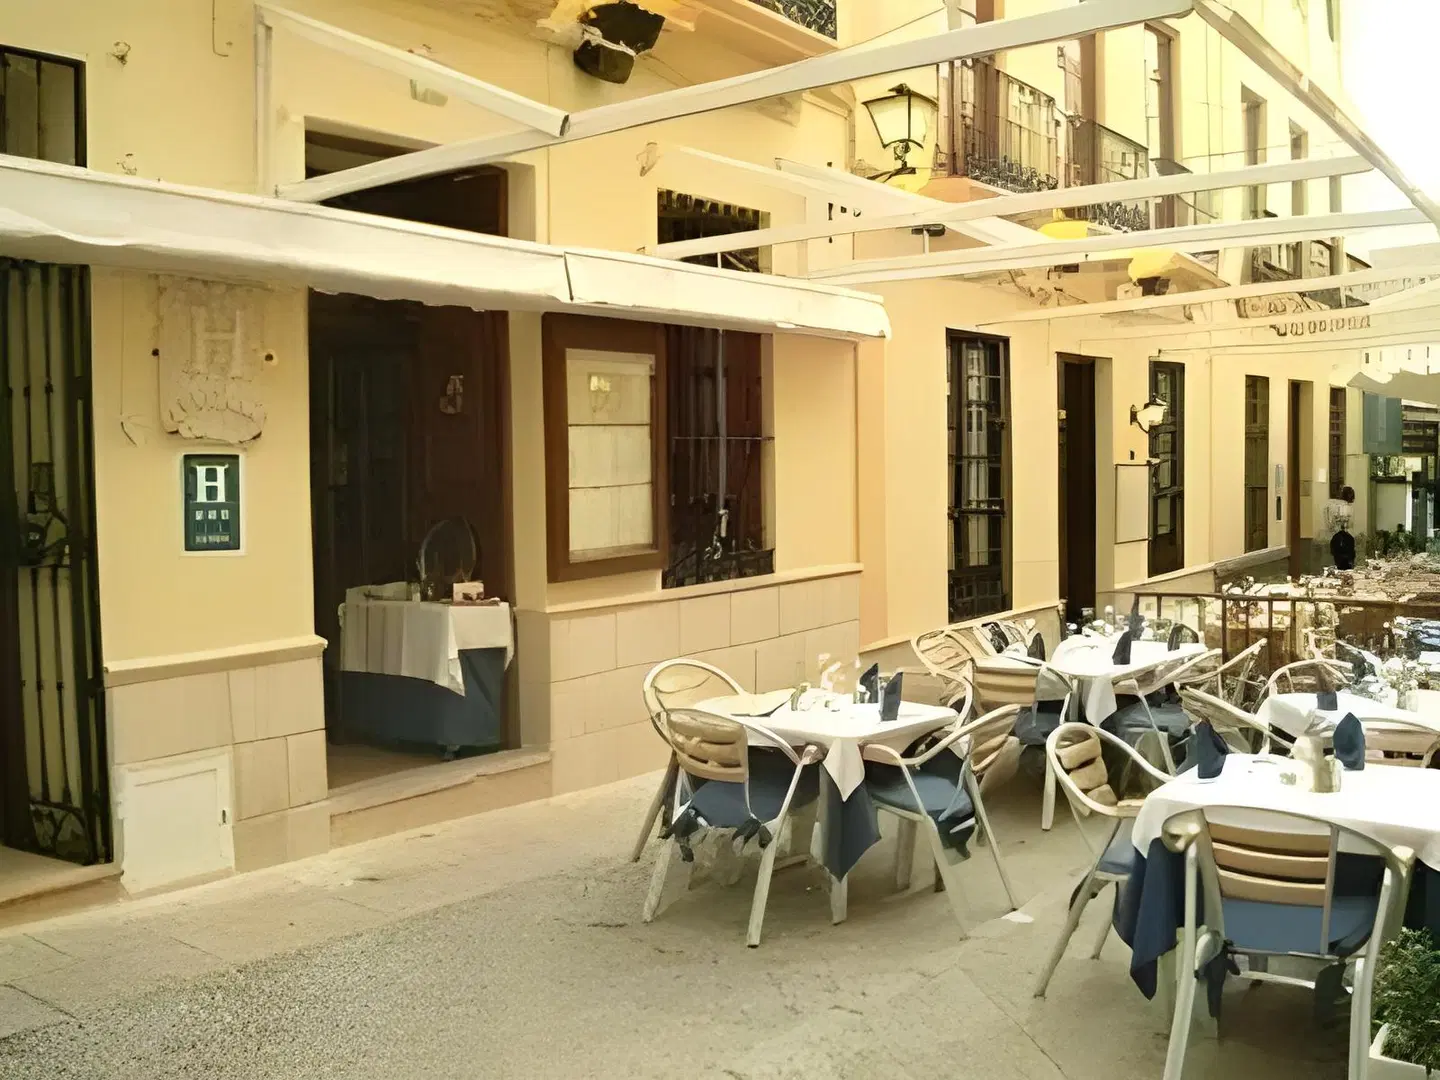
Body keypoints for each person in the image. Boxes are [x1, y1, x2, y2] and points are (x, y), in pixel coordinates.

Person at [1329, 485, 1357, 570]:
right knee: (1347, 562)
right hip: (1346, 537)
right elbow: (1350, 524)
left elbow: (1331, 524)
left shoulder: (1333, 506)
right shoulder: (1349, 508)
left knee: (1338, 561)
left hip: (1336, 537)